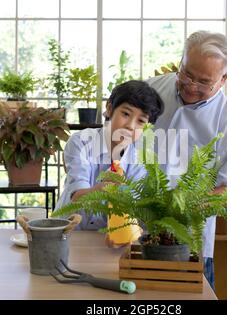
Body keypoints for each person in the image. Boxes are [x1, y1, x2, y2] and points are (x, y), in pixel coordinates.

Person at [147, 30, 227, 289]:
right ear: (181, 60)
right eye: (187, 74)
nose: (191, 86)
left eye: (204, 82)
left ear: (224, 78)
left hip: (189, 240)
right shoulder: (149, 90)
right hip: (134, 230)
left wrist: (189, 207)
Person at [55, 80, 164, 231]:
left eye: (141, 121)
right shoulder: (81, 142)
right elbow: (78, 197)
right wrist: (104, 188)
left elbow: (134, 212)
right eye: (126, 114)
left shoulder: (141, 159)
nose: (130, 126)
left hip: (108, 238)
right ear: (109, 108)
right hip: (68, 233)